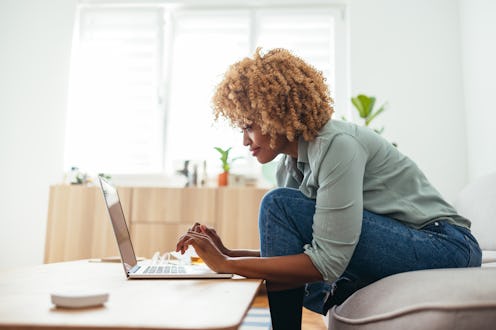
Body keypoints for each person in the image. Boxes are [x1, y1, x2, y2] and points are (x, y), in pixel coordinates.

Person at [175, 48, 482, 330]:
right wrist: (227, 252)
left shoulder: (337, 145)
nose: (244, 141)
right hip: (401, 245)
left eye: (249, 126)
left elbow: (328, 260)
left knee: (277, 204)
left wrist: (228, 265)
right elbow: (296, 249)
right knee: (285, 215)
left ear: (277, 114)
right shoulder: (290, 165)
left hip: (445, 245)